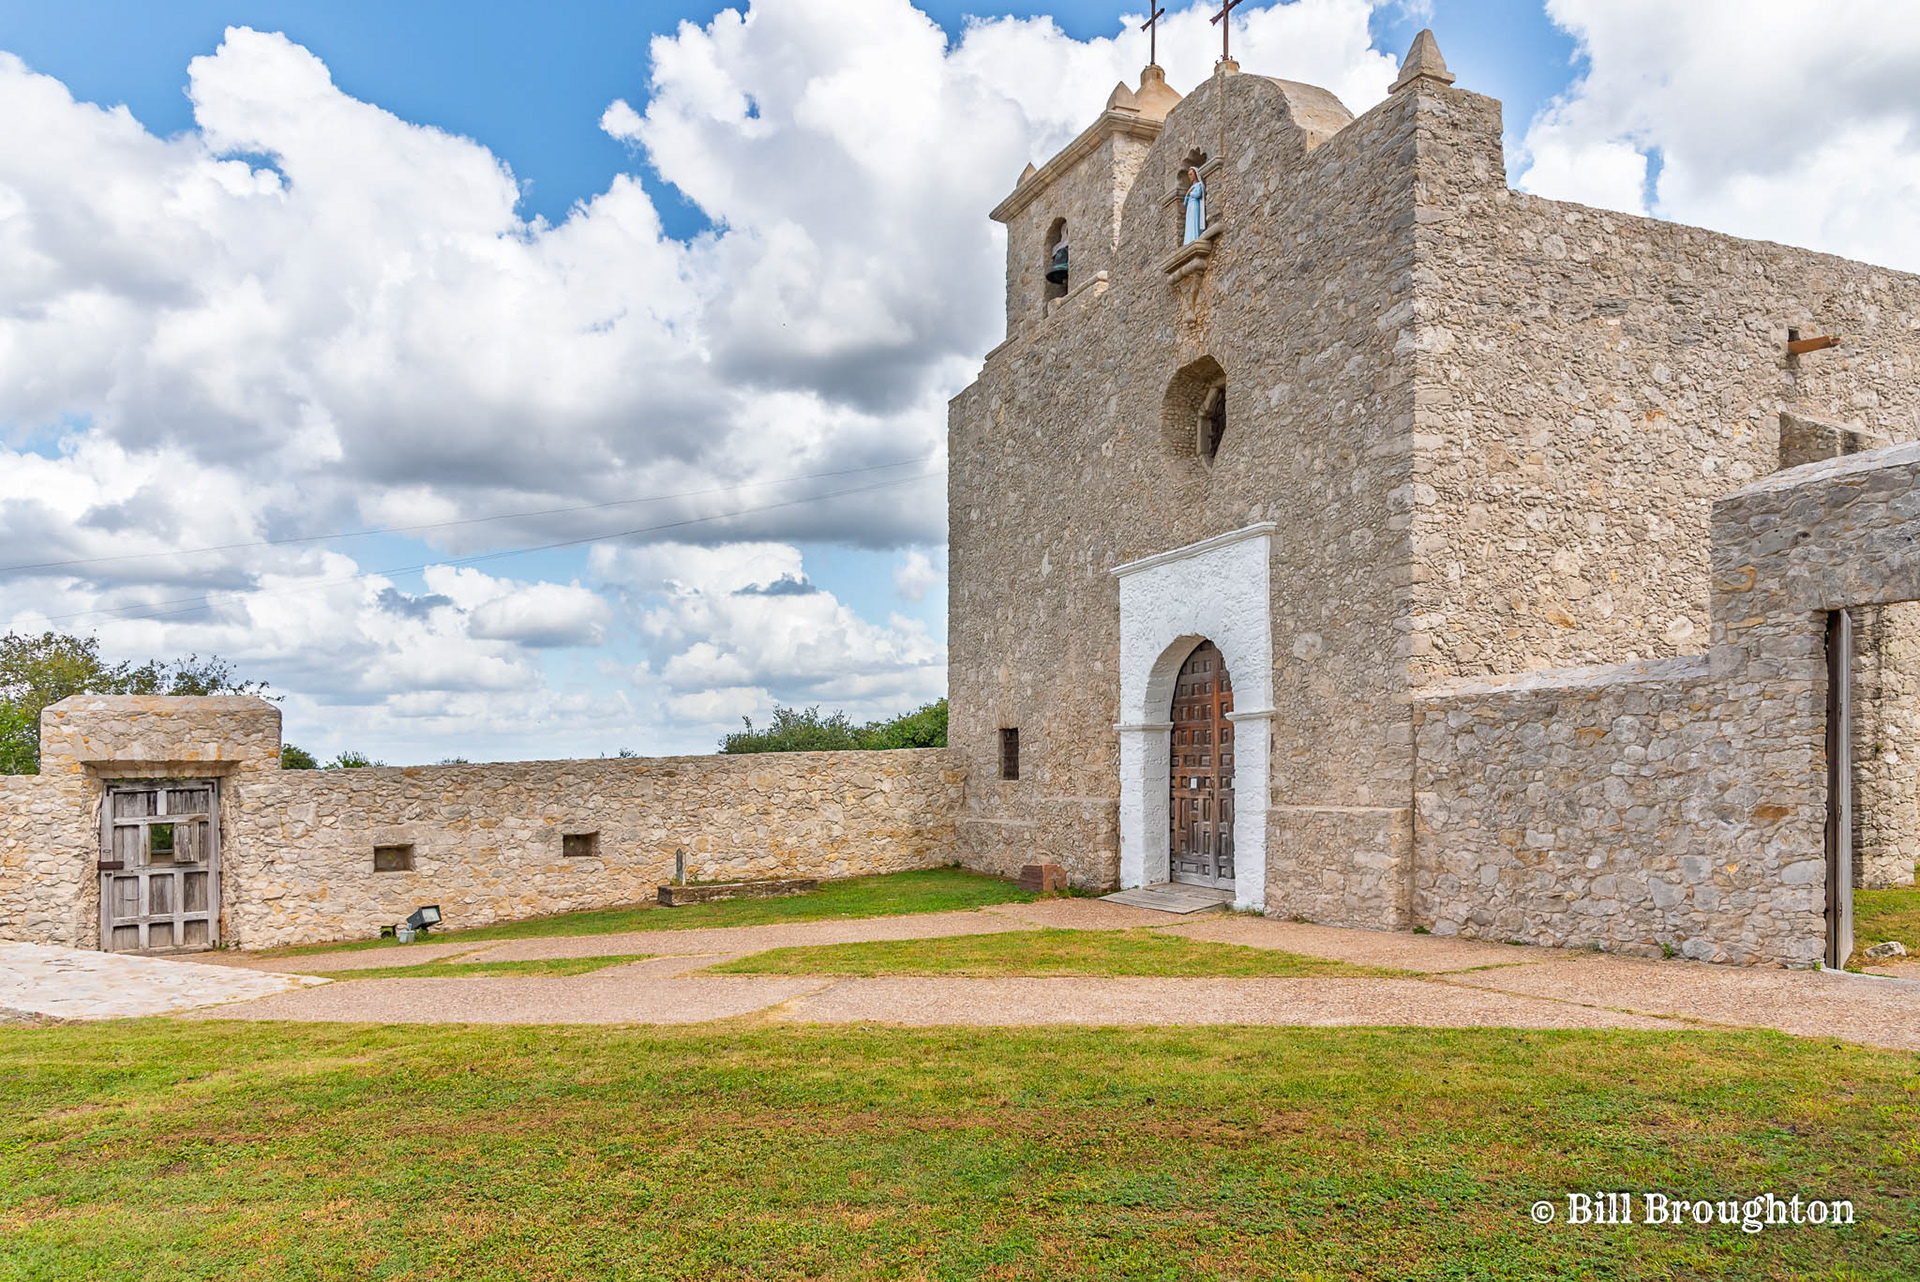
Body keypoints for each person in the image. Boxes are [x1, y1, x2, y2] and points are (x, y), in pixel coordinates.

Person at [1183, 167, 1207, 243]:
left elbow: (1198, 194)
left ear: (1195, 174)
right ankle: (1188, 240)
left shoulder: (1199, 185)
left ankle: (1195, 236)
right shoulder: (1190, 188)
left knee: (1194, 221)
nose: (1190, 176)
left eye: (1191, 174)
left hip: (1195, 205)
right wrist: (1187, 194)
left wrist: (1190, 193)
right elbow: (1184, 203)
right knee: (1189, 223)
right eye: (1189, 175)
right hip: (1189, 207)